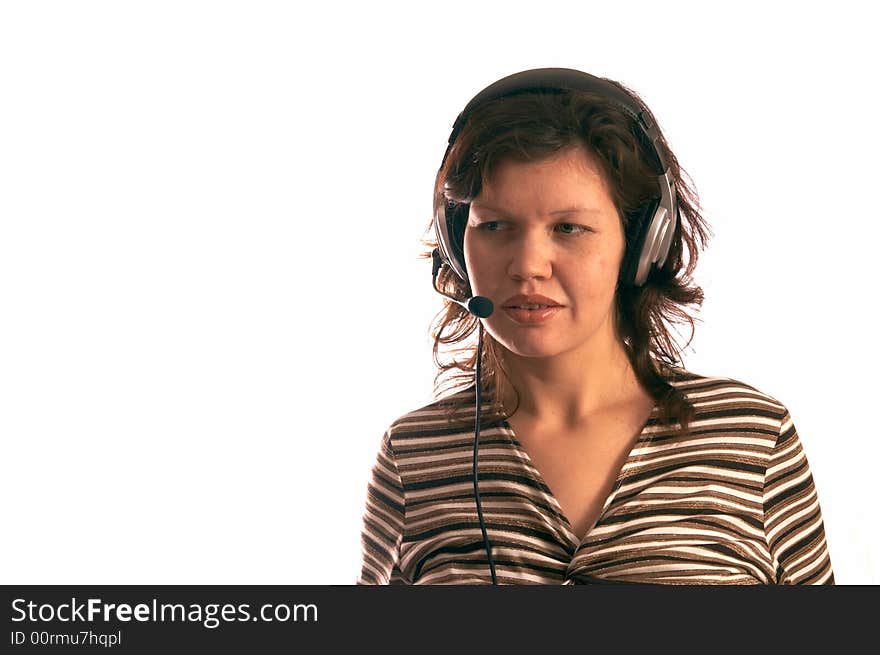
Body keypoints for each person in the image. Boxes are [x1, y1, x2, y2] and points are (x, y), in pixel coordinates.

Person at [357, 68, 834, 585]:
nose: (528, 265)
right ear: (456, 243)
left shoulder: (753, 438)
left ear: (640, 245)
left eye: (569, 228)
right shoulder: (413, 457)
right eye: (494, 226)